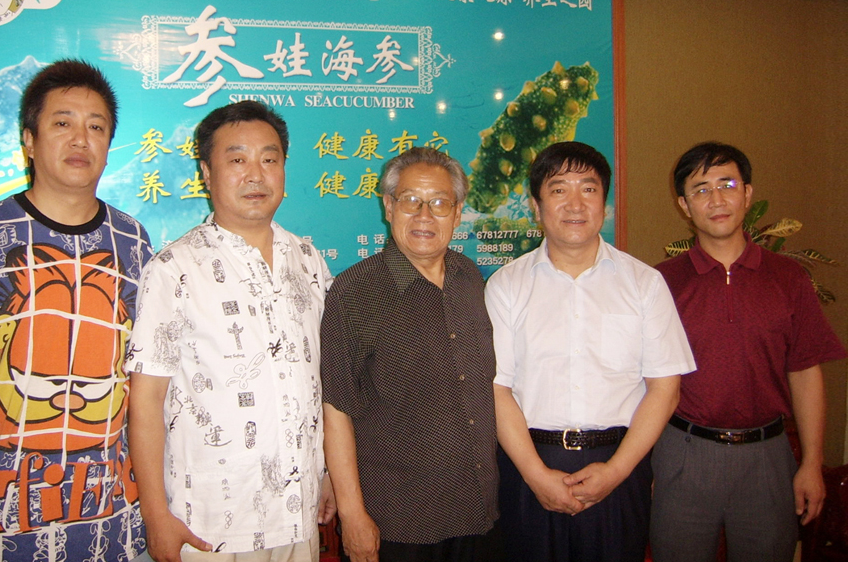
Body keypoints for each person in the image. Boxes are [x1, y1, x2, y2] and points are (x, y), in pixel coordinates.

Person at [0, 59, 154, 562]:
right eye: (62, 122)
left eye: (96, 127)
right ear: (29, 140)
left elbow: (147, 383)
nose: (80, 139)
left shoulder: (134, 242)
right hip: (0, 523)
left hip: (115, 524)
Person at [126, 100, 334, 562]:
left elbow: (321, 381)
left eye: (269, 159)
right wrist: (155, 514)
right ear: (206, 172)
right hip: (209, 526)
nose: (256, 174)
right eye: (237, 159)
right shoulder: (173, 269)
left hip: (299, 512)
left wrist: (327, 474)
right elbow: (145, 401)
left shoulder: (308, 261)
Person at [485, 141, 696, 562]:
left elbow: (665, 389)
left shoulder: (644, 284)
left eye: (589, 188)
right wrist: (536, 476)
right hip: (530, 465)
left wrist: (616, 472)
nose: (575, 203)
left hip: (619, 463)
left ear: (605, 202)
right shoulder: (505, 286)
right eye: (559, 189)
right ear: (536, 205)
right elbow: (496, 390)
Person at [650, 142, 847, 562]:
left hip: (767, 456)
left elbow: (805, 372)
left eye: (727, 184)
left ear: (747, 194)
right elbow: (645, 381)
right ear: (684, 205)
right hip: (684, 452)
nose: (716, 199)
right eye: (701, 189)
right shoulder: (660, 282)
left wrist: (812, 463)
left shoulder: (789, 277)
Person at [321, 147, 502, 562]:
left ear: (458, 213)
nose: (424, 215)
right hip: (397, 521)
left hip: (478, 509)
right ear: (389, 207)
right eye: (410, 200)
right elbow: (336, 410)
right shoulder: (354, 292)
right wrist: (352, 515)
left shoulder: (469, 278)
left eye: (439, 203)